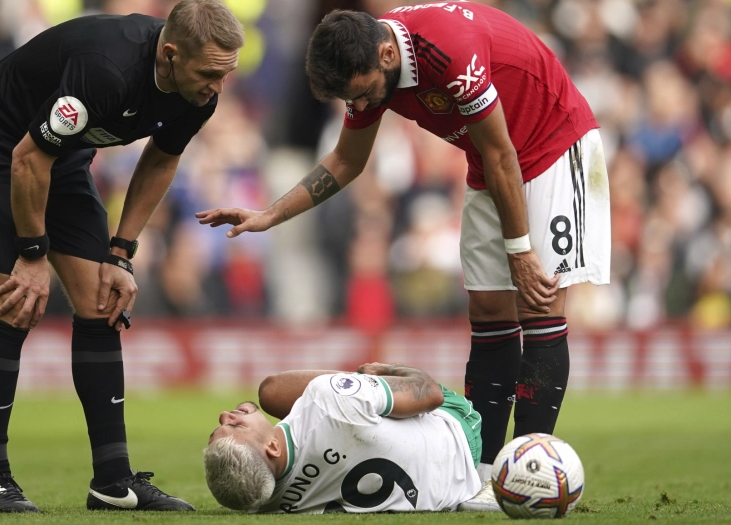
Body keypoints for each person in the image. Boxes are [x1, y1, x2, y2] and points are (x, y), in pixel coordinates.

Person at [196, 3, 609, 510]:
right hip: (488, 162)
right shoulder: (369, 61)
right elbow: (347, 159)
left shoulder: (447, 49)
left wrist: (520, 252)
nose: (361, 103)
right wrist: (270, 215)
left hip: (552, 144)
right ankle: (484, 475)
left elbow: (504, 151)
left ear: (387, 55)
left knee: (540, 304)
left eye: (363, 92)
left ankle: (527, 468)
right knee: (488, 311)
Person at [0, 0, 244, 513]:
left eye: (226, 74)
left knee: (102, 303)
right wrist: (32, 255)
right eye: (209, 74)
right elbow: (26, 159)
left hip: (58, 155)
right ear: (170, 55)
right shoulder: (107, 70)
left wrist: (121, 252)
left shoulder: (200, 91)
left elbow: (161, 159)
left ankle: (112, 481)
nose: (217, 87)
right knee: (16, 303)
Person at [204, 363, 486, 513]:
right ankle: (367, 386)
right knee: (273, 390)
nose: (224, 415)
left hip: (450, 491)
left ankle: (367, 394)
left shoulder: (264, 504)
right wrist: (384, 371)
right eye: (236, 426)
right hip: (458, 432)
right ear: (273, 447)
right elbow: (430, 392)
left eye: (216, 431)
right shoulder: (328, 398)